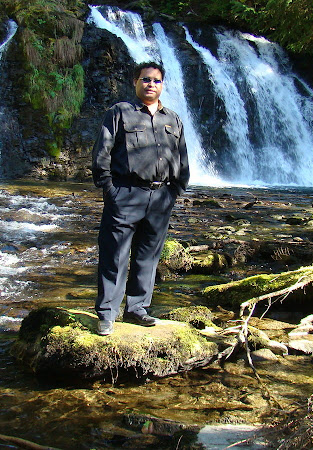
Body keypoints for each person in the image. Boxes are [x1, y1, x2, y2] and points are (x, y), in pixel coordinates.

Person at [91, 61, 190, 336]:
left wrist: (174, 191)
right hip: (125, 193)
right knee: (115, 255)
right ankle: (107, 314)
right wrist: (111, 190)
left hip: (161, 196)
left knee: (148, 255)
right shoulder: (119, 112)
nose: (151, 84)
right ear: (135, 82)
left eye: (156, 81)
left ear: (163, 85)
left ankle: (137, 309)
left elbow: (182, 158)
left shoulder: (172, 119)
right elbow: (101, 154)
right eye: (146, 79)